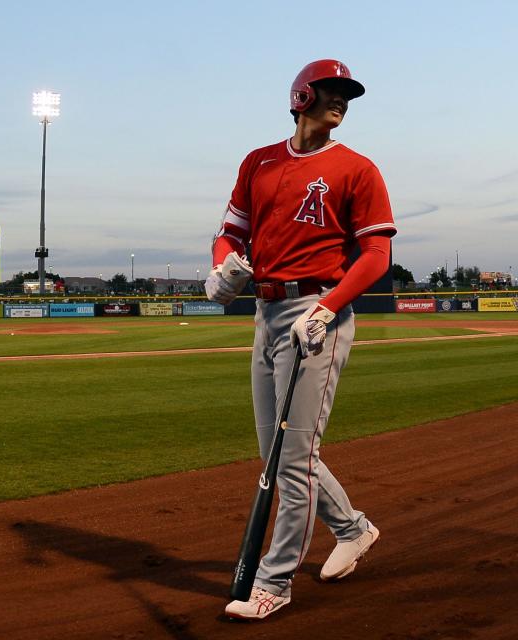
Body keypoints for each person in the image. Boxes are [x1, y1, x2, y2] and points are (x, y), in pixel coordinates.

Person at [205, 59, 396, 620]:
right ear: (302, 96)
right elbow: (229, 233)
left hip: (320, 311)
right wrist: (223, 270)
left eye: (347, 96)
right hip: (265, 311)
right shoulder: (259, 162)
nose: (341, 102)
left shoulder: (357, 169)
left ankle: (275, 581)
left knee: (291, 460)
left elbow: (377, 256)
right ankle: (353, 529)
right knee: (279, 453)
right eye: (332, 92)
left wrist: (328, 307)